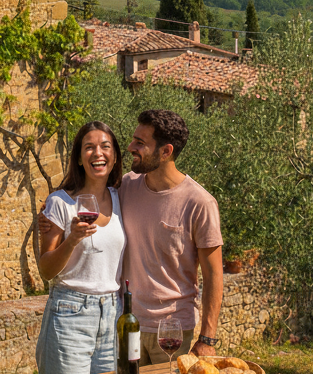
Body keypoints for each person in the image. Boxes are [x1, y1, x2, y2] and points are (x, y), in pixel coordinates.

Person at [38, 109, 223, 367]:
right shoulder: (127, 187)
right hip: (125, 323)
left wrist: (208, 338)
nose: (130, 147)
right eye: (133, 139)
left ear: (165, 152)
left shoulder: (200, 203)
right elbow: (82, 195)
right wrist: (51, 213)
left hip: (171, 330)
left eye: (140, 143)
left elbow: (215, 275)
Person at [36, 121, 127, 374]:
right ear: (78, 158)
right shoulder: (60, 203)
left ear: (115, 155)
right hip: (70, 313)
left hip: (113, 313)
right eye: (89, 148)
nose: (98, 153)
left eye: (105, 146)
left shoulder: (122, 197)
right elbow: (46, 270)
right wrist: (73, 239)